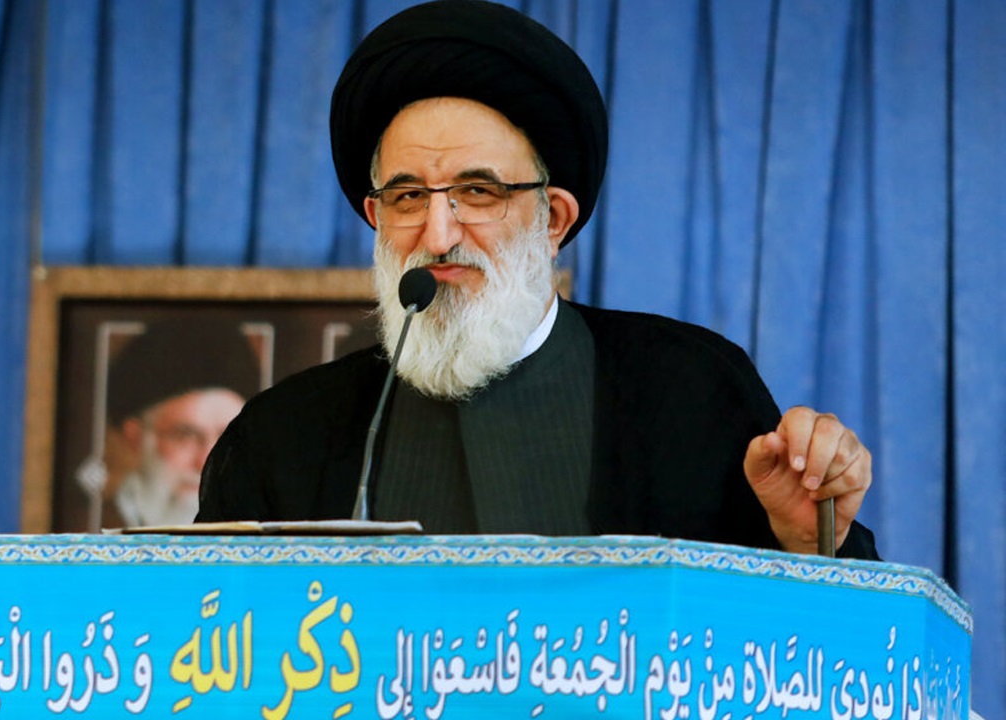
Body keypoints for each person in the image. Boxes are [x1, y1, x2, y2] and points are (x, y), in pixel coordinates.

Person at [197, 0, 876, 559]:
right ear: (376, 217)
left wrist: (805, 541)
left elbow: (820, 643)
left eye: (478, 191)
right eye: (408, 197)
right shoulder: (282, 436)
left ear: (552, 218)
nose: (438, 234)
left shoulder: (690, 390)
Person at [80, 321, 258, 528]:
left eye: (229, 438)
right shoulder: (88, 524)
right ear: (134, 437)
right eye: (185, 436)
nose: (207, 463)